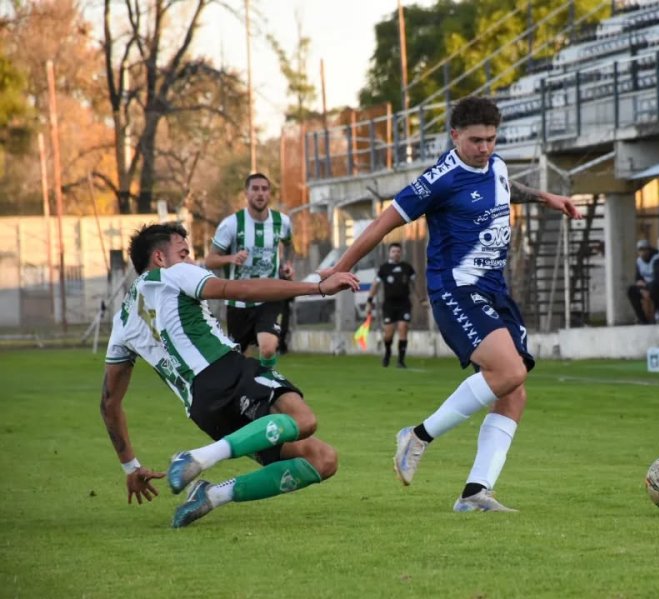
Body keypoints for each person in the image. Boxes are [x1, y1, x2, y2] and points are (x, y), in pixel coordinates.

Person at [319, 96, 582, 512]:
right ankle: (418, 436)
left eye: (491, 139)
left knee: (514, 392)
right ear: (454, 135)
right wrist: (339, 268)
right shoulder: (437, 180)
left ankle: (476, 493)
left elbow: (503, 188)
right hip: (456, 290)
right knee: (509, 370)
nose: (485, 148)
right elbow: (381, 225)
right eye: (475, 140)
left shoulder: (495, 164)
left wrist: (546, 197)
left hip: (495, 291)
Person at [101, 223, 359, 527]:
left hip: (203, 410)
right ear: (159, 257)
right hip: (225, 370)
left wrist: (131, 467)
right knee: (304, 420)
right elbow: (239, 289)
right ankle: (198, 458)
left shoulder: (122, 321)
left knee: (322, 460)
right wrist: (316, 288)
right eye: (183, 251)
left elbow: (109, 403)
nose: (188, 259)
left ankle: (211, 495)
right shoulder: (174, 273)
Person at [206, 173, 294, 371]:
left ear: (269, 193)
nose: (260, 193)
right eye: (255, 189)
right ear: (246, 193)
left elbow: (289, 245)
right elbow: (210, 260)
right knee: (240, 360)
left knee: (268, 347)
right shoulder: (231, 224)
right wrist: (231, 258)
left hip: (270, 294)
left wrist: (287, 264)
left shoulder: (283, 222)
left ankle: (268, 385)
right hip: (239, 298)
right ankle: (248, 391)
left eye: (264, 189)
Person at [367, 242, 427, 368]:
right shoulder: (384, 268)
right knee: (388, 333)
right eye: (393, 251)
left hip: (404, 304)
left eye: (398, 251)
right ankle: (388, 351)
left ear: (401, 253)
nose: (396, 254)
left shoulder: (407, 267)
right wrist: (369, 300)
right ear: (389, 253)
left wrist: (422, 299)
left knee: (403, 328)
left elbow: (415, 284)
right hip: (389, 305)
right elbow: (375, 285)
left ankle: (401, 360)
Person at [627, 240, 659, 324]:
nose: (643, 253)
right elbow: (638, 278)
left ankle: (658, 312)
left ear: (649, 250)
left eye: (645, 250)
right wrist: (642, 288)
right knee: (631, 290)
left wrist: (645, 286)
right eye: (640, 250)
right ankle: (642, 318)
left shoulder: (657, 260)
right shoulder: (639, 261)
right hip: (646, 287)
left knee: (654, 286)